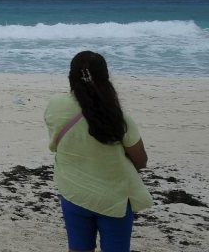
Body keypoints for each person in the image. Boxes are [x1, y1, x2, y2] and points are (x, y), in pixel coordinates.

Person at [44, 51, 152, 252]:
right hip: (113, 198)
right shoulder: (118, 118)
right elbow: (141, 160)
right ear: (105, 78)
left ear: (71, 77)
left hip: (73, 192)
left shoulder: (56, 105)